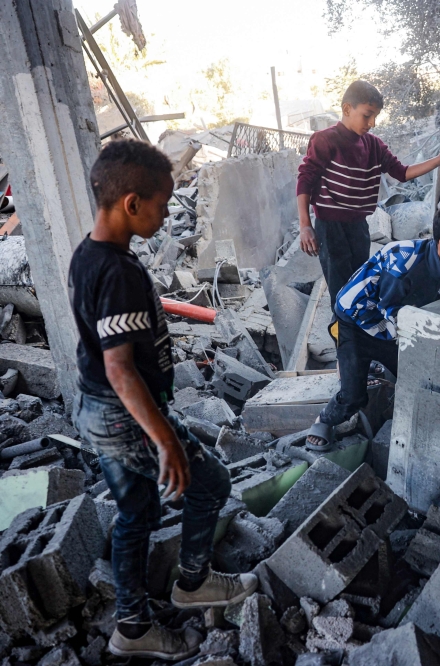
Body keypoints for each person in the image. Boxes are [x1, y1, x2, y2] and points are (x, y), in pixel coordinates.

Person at [70, 140, 257, 660]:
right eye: (163, 202)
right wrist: (165, 440)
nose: (168, 212)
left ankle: (137, 621)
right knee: (206, 484)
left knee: (137, 511)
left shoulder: (89, 257)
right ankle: (177, 594)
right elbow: (120, 368)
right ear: (131, 203)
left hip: (105, 408)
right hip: (123, 414)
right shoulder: (118, 273)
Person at [305, 198, 440, 450]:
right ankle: (323, 420)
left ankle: (406, 415)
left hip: (386, 320)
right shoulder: (404, 267)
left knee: (418, 376)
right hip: (354, 324)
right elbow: (397, 317)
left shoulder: (438, 259)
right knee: (353, 396)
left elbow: (417, 301)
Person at [295, 80, 440, 309]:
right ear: (347, 109)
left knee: (361, 287)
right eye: (367, 115)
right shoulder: (325, 140)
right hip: (331, 228)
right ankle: (344, 341)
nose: (372, 123)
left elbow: (402, 172)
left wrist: (439, 160)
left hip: (360, 226)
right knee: (341, 292)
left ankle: (361, 337)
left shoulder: (374, 145)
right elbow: (305, 180)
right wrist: (305, 225)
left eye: (375, 116)